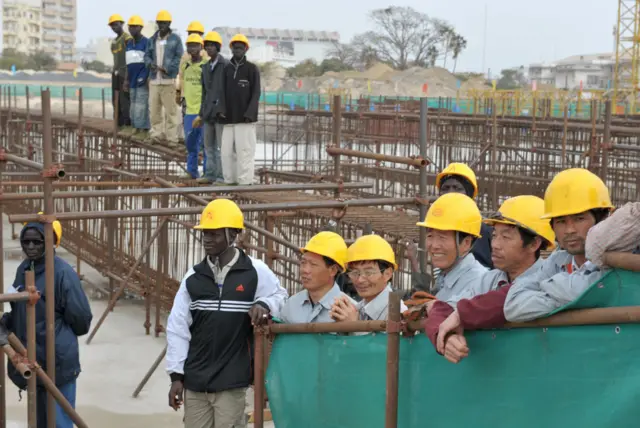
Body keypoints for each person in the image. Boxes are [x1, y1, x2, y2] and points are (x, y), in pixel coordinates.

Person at [166, 198, 287, 428]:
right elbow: (177, 328)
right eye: (205, 234)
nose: (207, 240)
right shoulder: (194, 277)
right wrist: (176, 376)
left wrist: (264, 304)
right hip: (196, 381)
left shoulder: (254, 271)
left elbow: (281, 296)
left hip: (231, 382)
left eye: (215, 234)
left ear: (233, 235)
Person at [423, 195, 555, 364]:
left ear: (534, 244)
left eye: (506, 237)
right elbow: (444, 309)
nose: (495, 245)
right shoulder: (489, 280)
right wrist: (446, 337)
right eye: (494, 235)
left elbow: (511, 298)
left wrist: (463, 314)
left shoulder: (550, 278)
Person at [0, 218, 92, 428]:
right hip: (33, 356)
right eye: (27, 242)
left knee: (58, 421)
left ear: (50, 242)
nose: (31, 247)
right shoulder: (24, 269)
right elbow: (18, 309)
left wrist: (53, 330)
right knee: (41, 422)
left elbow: (81, 321)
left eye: (37, 242)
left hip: (57, 360)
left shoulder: (62, 273)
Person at [503, 168, 614, 322]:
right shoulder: (558, 261)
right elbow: (513, 307)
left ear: (602, 220)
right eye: (561, 222)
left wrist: (546, 288)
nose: (569, 230)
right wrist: (568, 297)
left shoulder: (615, 261)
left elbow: (596, 289)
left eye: (579, 219)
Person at [416, 192, 488, 313]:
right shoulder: (446, 275)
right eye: (430, 236)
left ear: (466, 243)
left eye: (442, 238)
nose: (434, 245)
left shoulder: (477, 285)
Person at [330, 234, 407, 322]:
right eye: (355, 273)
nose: (360, 280)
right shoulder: (358, 308)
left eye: (369, 272)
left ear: (387, 274)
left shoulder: (397, 313)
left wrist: (353, 326)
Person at [279, 231, 352, 323]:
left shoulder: (349, 310)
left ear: (333, 270)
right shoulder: (291, 305)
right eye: (303, 262)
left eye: (313, 264)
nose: (305, 270)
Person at [221, 33, 261, 186]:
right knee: (226, 153)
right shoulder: (226, 69)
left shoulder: (252, 69)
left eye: (240, 47)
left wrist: (250, 113)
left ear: (245, 49)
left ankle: (244, 182)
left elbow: (256, 93)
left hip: (245, 119)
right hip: (228, 119)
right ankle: (229, 180)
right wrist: (221, 111)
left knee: (244, 152)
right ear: (231, 49)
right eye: (235, 47)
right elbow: (221, 91)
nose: (237, 50)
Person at [144, 10, 184, 147]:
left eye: (164, 23)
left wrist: (169, 69)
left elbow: (178, 57)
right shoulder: (152, 40)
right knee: (154, 111)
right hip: (155, 80)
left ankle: (172, 139)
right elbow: (147, 56)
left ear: (169, 24)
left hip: (168, 81)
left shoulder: (175, 40)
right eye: (160, 23)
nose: (161, 25)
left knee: (171, 112)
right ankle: (156, 135)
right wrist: (150, 64)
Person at [193, 31, 227, 184]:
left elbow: (228, 91)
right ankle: (210, 174)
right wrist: (201, 114)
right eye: (207, 46)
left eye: (212, 46)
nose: (209, 48)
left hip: (220, 114)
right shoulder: (205, 68)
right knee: (209, 147)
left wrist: (225, 110)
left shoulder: (225, 65)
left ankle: (221, 176)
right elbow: (204, 93)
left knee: (221, 148)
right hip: (208, 114)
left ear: (218, 47)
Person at [180, 34, 207, 179]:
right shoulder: (185, 65)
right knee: (190, 145)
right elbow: (184, 86)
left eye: (195, 45)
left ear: (201, 47)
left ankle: (208, 173)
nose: (192, 48)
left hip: (203, 111)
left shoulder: (206, 66)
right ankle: (191, 171)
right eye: (190, 46)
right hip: (189, 111)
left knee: (206, 144)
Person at [125, 15, 150, 137]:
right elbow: (128, 64)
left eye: (134, 26)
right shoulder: (129, 43)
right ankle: (135, 126)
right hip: (132, 79)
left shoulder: (146, 42)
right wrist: (126, 80)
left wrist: (144, 77)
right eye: (130, 26)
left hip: (142, 79)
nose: (131, 28)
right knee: (133, 105)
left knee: (142, 104)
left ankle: (142, 128)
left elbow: (149, 62)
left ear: (140, 27)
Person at [108, 14, 132, 132]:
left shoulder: (127, 38)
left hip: (124, 73)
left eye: (116, 24)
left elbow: (131, 56)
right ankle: (118, 124)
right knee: (115, 100)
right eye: (112, 25)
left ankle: (126, 125)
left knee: (124, 100)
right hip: (116, 73)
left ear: (121, 24)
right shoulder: (113, 42)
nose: (114, 27)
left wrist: (128, 75)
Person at [176, 21, 207, 111]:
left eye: (195, 33)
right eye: (190, 33)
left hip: (200, 97)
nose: (193, 36)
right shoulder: (185, 55)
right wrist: (178, 92)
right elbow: (181, 75)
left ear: (201, 35)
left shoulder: (206, 55)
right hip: (187, 96)